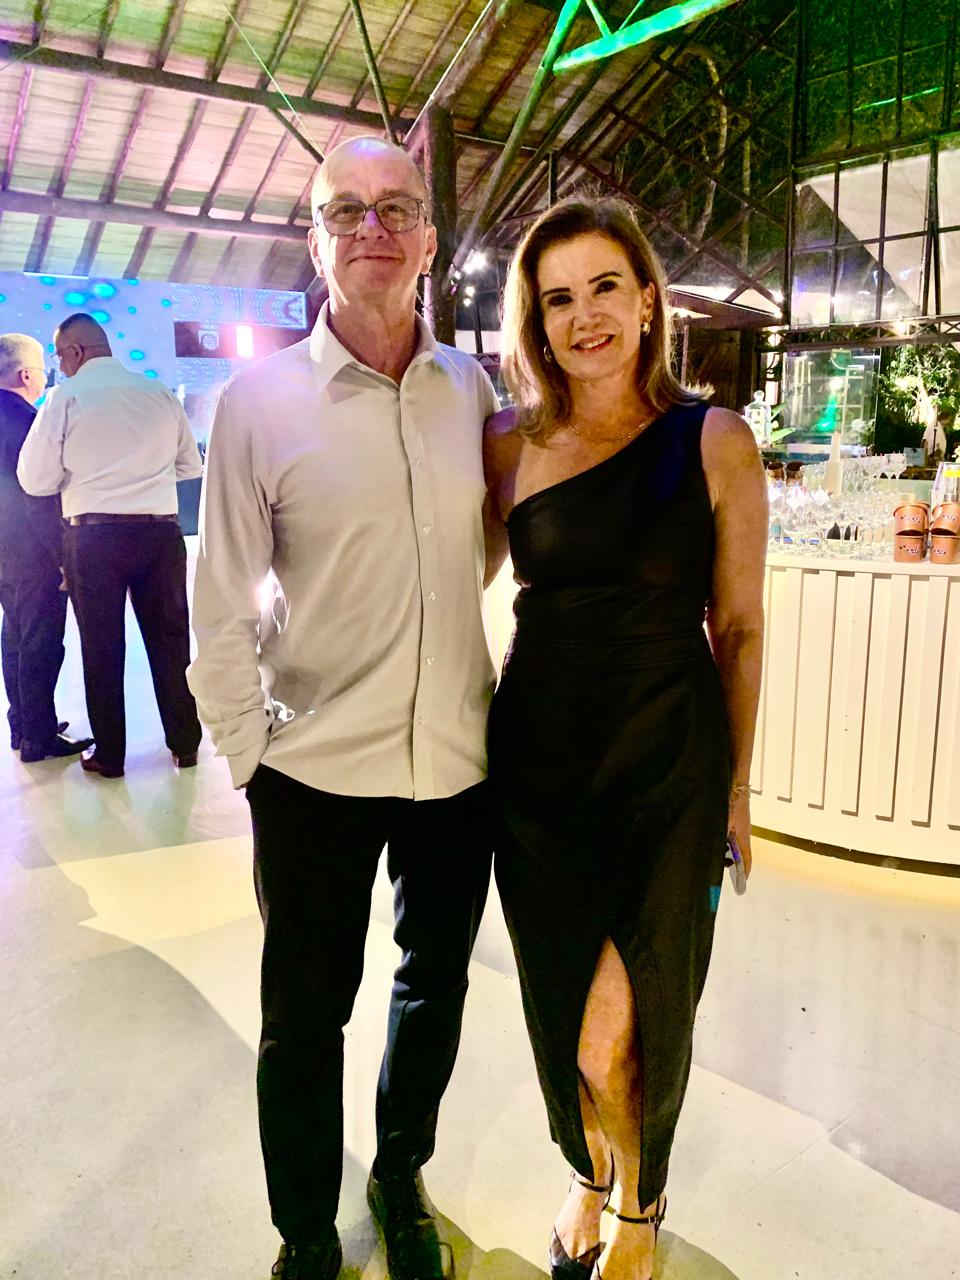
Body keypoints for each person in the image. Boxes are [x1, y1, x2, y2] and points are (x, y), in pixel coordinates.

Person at [187, 136, 500, 1280]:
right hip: (314, 765)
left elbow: (484, 547)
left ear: (429, 240)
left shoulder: (472, 391)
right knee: (304, 1014)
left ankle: (399, 1171)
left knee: (434, 984)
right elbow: (219, 597)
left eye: (396, 208)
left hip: (456, 759)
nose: (372, 227)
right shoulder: (259, 402)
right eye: (345, 210)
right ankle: (306, 1231)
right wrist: (249, 757)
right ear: (315, 241)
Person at [483, 196, 766, 1280]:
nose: (585, 316)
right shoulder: (507, 443)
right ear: (536, 322)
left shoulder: (715, 440)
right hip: (538, 766)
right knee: (561, 1007)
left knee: (629, 1013)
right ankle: (592, 1172)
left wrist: (738, 787)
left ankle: (640, 1204)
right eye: (558, 299)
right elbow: (434, 570)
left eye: (605, 286)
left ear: (649, 299)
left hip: (668, 762)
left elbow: (738, 627)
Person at [17, 314, 203, 780]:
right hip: (161, 535)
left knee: (101, 648)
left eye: (59, 356)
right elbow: (190, 466)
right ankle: (185, 744)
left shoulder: (64, 398)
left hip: (93, 538)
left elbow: (35, 480)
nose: (59, 366)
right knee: (171, 642)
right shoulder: (158, 393)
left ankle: (111, 756)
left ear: (76, 352)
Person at [0, 333, 91, 762]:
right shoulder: (29, 422)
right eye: (41, 369)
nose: (43, 377)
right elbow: (38, 497)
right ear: (25, 375)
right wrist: (62, 557)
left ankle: (23, 724)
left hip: (4, 552)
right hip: (33, 552)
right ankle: (38, 737)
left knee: (14, 636)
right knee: (42, 643)